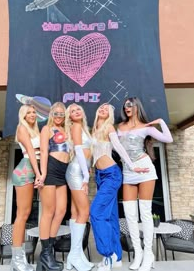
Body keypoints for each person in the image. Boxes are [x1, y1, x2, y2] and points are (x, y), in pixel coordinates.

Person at [90, 103, 148, 271]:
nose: (102, 109)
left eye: (106, 109)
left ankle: (107, 255)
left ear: (110, 114)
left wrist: (131, 166)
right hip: (100, 176)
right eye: (101, 107)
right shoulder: (94, 129)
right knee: (110, 216)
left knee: (97, 213)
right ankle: (116, 256)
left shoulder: (108, 127)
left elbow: (119, 148)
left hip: (111, 174)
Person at [117, 97, 173, 271]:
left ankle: (148, 254)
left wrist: (161, 122)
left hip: (145, 168)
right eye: (125, 105)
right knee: (130, 215)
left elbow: (168, 139)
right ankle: (138, 253)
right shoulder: (119, 127)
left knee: (146, 213)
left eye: (130, 105)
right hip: (128, 171)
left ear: (136, 106)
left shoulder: (145, 127)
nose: (127, 107)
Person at [37, 102, 69, 271]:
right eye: (56, 113)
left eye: (61, 114)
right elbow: (43, 152)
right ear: (51, 114)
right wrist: (42, 174)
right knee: (48, 212)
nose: (58, 116)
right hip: (51, 168)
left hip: (64, 171)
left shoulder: (67, 130)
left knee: (61, 211)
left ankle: (47, 254)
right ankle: (46, 254)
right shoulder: (47, 129)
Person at [11, 104, 41, 271]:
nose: (32, 114)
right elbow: (30, 151)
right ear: (22, 115)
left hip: (32, 169)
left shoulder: (35, 131)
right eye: (28, 112)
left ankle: (19, 260)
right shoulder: (22, 128)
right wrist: (38, 174)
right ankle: (17, 260)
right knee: (22, 215)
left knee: (25, 214)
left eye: (34, 112)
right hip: (25, 169)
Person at [65, 103, 94, 271]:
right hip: (76, 171)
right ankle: (75, 254)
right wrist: (86, 175)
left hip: (81, 171)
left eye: (78, 109)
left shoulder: (84, 128)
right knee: (85, 212)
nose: (76, 112)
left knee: (76, 212)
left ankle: (74, 256)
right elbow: (78, 150)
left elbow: (87, 154)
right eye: (73, 111)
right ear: (70, 116)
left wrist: (87, 171)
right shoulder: (76, 127)